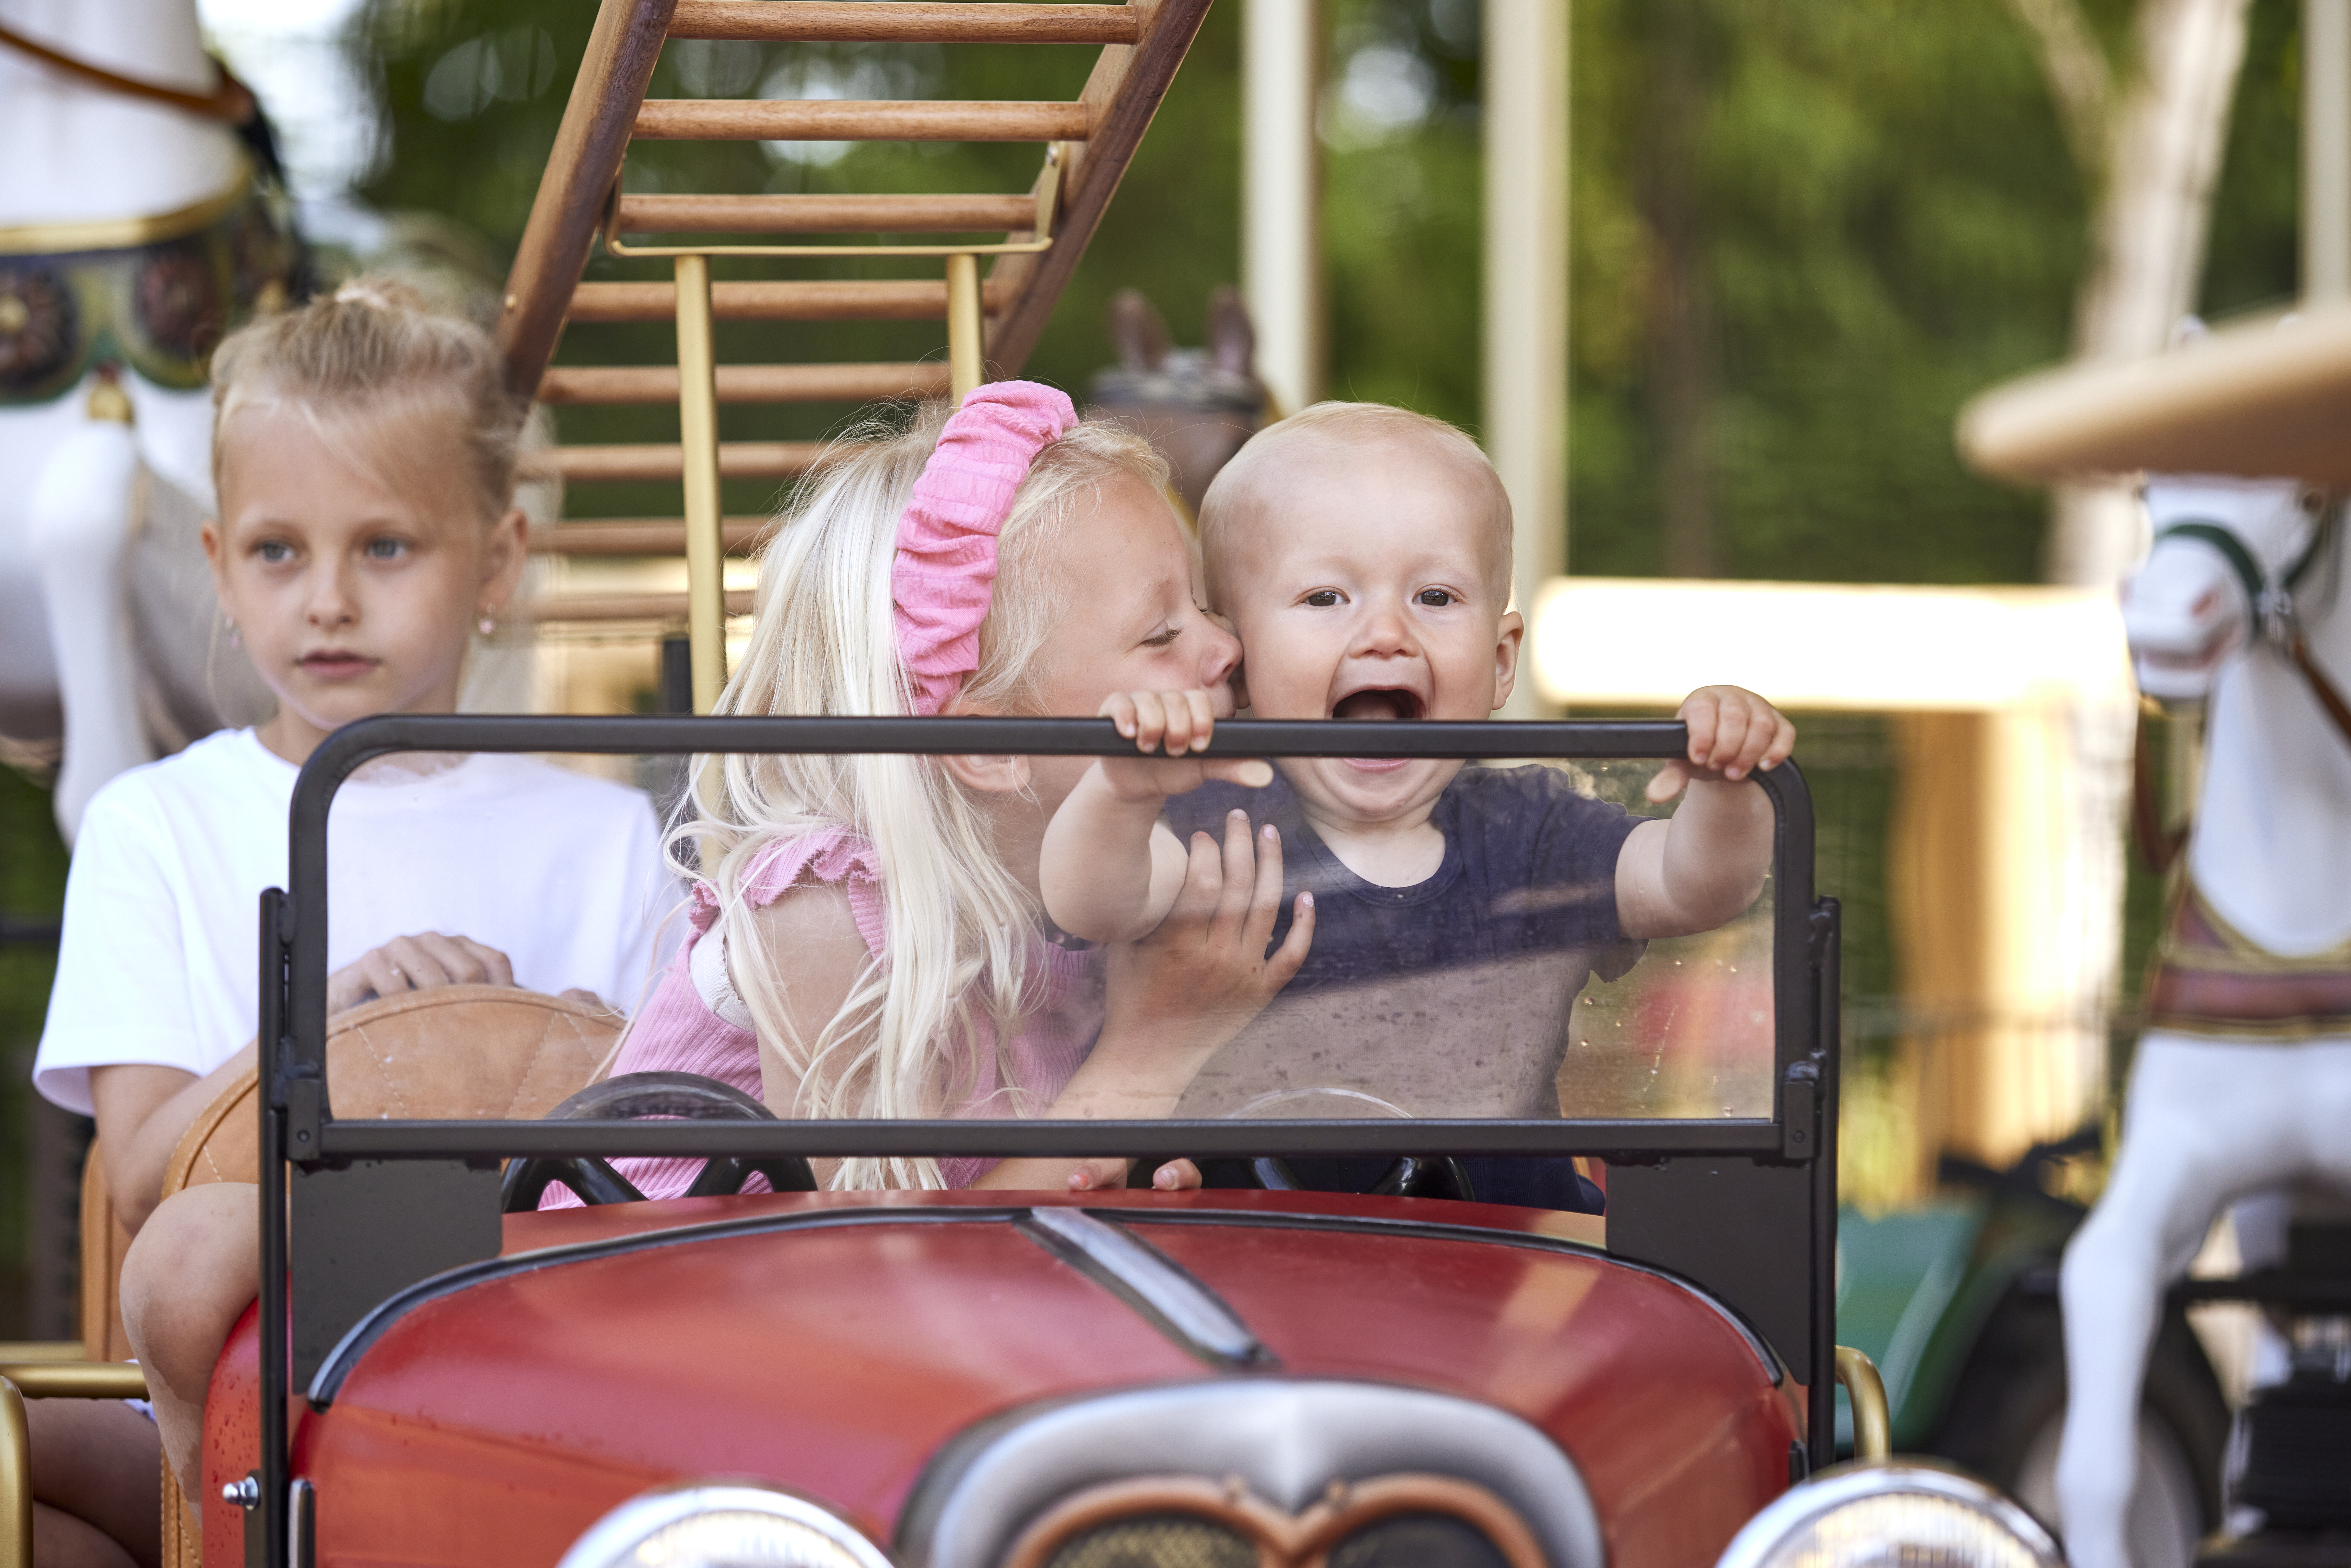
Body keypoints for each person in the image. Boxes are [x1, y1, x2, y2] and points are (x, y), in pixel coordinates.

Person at [31, 279, 666, 1562]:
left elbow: (663, 1166)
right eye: (278, 549)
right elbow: (147, 1171)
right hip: (237, 1380)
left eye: (384, 546)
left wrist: (499, 1043)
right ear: (219, 565)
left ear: (495, 559)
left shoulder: (601, 836)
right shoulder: (153, 821)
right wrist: (327, 1016)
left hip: (530, 1356)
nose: (326, 597)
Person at [562, 380, 1314, 1204]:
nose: (1225, 648)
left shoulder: (1098, 869)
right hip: (650, 1295)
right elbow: (880, 1261)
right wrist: (1148, 1060)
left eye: (1204, 606)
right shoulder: (822, 911)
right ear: (986, 746)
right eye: (1161, 633)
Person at [1039, 401, 1795, 1209]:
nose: (1386, 635)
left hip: (1508, 1267)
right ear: (1239, 658)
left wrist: (1726, 778)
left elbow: (1696, 886)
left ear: (1501, 662)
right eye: (1326, 599)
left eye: (1435, 597)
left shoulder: (1533, 826)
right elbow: (1092, 898)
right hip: (1254, 1264)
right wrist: (1121, 790)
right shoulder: (1214, 814)